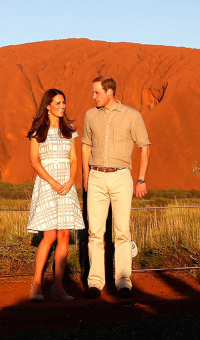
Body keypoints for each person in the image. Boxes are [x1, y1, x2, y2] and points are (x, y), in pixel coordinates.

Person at [82, 76, 150, 300]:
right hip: (97, 176)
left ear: (109, 91)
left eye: (97, 93)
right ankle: (95, 282)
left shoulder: (132, 115)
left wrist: (141, 180)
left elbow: (144, 146)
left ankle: (123, 282)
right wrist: (85, 176)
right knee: (95, 232)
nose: (93, 97)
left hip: (121, 176)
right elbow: (86, 145)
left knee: (122, 232)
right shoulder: (90, 115)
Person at [26, 89, 85, 301]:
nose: (62, 106)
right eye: (57, 103)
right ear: (48, 106)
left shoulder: (70, 130)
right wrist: (52, 182)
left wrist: (70, 181)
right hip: (47, 184)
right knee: (49, 235)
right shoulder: (37, 131)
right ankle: (37, 284)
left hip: (66, 186)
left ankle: (58, 287)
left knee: (65, 235)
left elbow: (74, 159)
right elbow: (34, 161)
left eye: (63, 103)